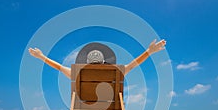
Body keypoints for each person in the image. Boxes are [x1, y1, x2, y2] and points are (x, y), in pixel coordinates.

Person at [28, 39, 166, 79]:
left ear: (87, 64)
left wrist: (41, 56)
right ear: (104, 63)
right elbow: (133, 64)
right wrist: (149, 51)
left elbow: (58, 66)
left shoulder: (77, 73)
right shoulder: (116, 72)